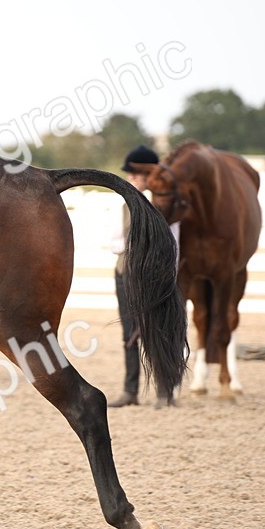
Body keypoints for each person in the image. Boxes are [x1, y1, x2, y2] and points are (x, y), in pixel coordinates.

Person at [107, 145, 159, 408]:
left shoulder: (161, 203)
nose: (132, 179)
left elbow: (172, 240)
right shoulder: (124, 202)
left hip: (151, 273)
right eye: (131, 175)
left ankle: (164, 389)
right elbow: (116, 242)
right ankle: (130, 390)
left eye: (137, 175)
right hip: (124, 270)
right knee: (129, 332)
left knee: (156, 330)